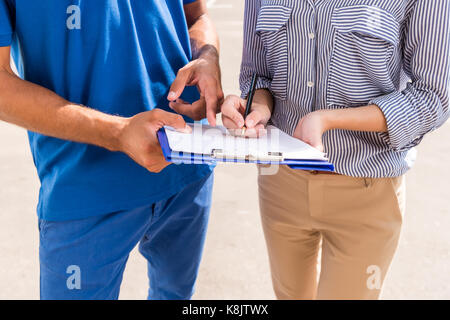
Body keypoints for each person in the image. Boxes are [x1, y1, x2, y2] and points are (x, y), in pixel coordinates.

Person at [221, 0, 449, 299]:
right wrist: (256, 108)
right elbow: (258, 75)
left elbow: (433, 97)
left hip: (367, 190)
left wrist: (328, 120)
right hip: (280, 184)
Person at [0, 0, 223, 300]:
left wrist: (207, 56)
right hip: (84, 190)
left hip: (187, 169)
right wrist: (118, 133)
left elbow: (196, 14)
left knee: (177, 295)